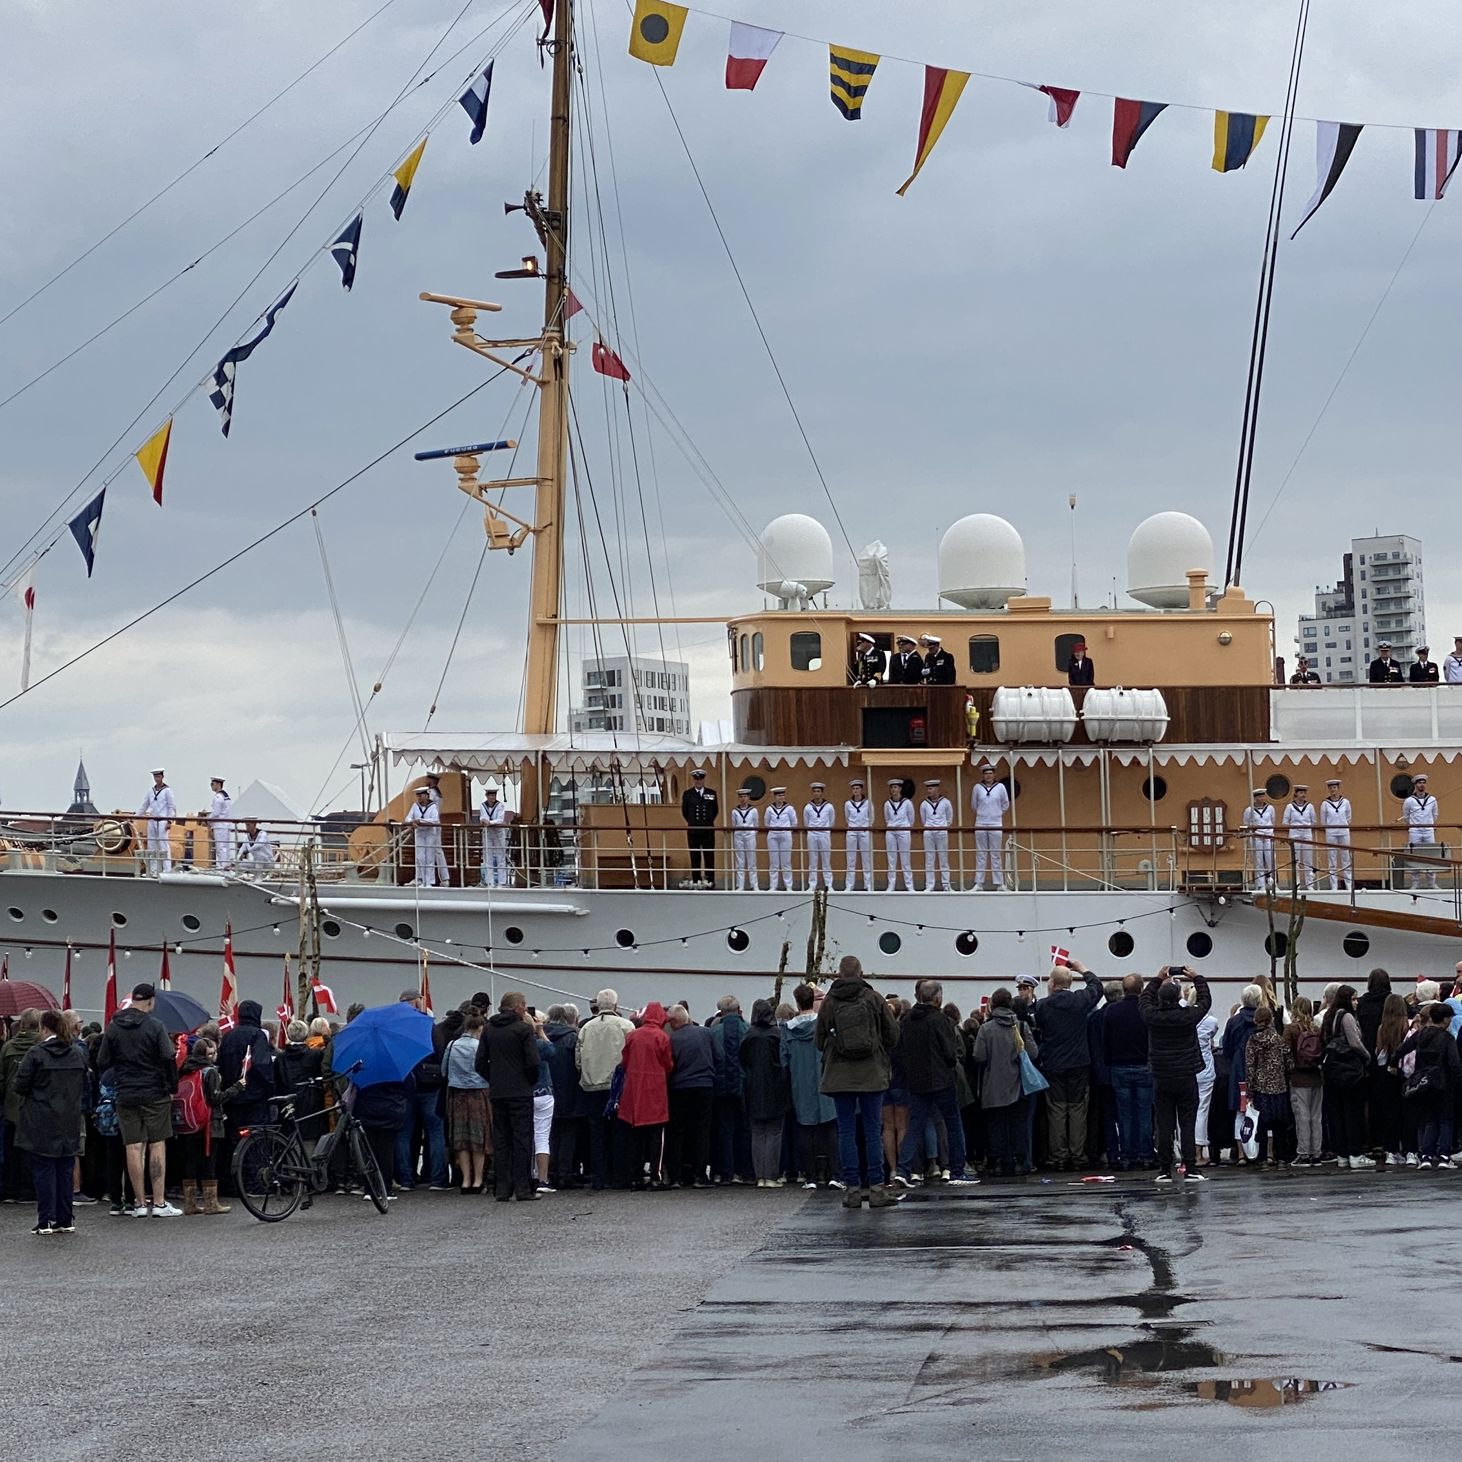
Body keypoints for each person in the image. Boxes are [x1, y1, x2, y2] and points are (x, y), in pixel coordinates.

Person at [816, 954, 902, 1209]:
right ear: (861, 973)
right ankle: (876, 1189)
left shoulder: (830, 1001)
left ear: (840, 975)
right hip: (872, 1074)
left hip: (840, 1076)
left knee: (846, 1131)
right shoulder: (874, 998)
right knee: (873, 1130)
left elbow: (819, 1041)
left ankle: (852, 1190)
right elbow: (893, 1035)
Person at [97, 983, 181, 1218]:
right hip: (154, 1092)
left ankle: (140, 1203)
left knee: (132, 1146)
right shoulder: (155, 1026)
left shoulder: (114, 1027)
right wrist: (171, 1086)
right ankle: (160, 1203)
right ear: (151, 1001)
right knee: (157, 1144)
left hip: (125, 1093)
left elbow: (103, 1060)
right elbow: (168, 1057)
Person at [893, 980, 976, 1186]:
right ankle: (956, 1170)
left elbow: (899, 1052)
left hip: (917, 1082)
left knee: (915, 1127)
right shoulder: (940, 1020)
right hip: (941, 1080)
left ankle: (903, 1170)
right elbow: (950, 1054)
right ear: (937, 997)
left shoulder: (907, 1020)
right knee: (953, 1125)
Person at [14, 1010, 88, 1235]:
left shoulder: (36, 1054)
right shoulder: (76, 1053)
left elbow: (20, 1085)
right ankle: (66, 1219)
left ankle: (45, 1220)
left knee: (44, 1170)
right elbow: (85, 1083)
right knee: (65, 1169)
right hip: (69, 1119)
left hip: (41, 1119)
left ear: (43, 1029)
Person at [1137, 967, 1212, 1183]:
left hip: (1162, 1075)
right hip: (1186, 1074)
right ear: (1179, 996)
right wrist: (1197, 977)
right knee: (1187, 1123)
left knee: (1164, 1123)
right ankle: (1190, 1168)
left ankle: (1164, 1169)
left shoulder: (1152, 1016)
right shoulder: (1187, 1016)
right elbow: (1205, 1001)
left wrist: (1157, 978)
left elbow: (1144, 1000)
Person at [1034, 959, 1102, 1171]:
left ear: (1052, 983)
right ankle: (1078, 1155)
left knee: (1056, 1111)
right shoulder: (1080, 1001)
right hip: (1079, 1063)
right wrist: (1082, 968)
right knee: (1078, 1110)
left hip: (1053, 1064)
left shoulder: (1042, 1006)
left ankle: (1059, 1156)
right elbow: (1097, 988)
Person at [476, 991, 540, 1201]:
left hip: (498, 1092)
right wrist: (529, 1081)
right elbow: (532, 1062)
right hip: (520, 1092)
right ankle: (523, 1187)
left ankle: (502, 1188)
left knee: (501, 1140)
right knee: (522, 1139)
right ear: (518, 1007)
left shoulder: (489, 1029)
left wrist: (493, 1079)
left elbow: (479, 1063)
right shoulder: (523, 1030)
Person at [971, 988, 1039, 1176]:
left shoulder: (986, 1028)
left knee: (997, 1125)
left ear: (993, 1005)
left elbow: (979, 1055)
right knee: (1018, 1124)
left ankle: (1001, 1161)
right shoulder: (1021, 1027)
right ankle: (1020, 1161)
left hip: (993, 1085)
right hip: (1018, 1085)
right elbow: (1033, 1053)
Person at [576, 990, 634, 1190]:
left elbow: (578, 1058)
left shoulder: (586, 1028)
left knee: (597, 1133)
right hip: (618, 1087)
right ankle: (620, 1177)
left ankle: (599, 1177)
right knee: (620, 1133)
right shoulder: (626, 1026)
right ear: (616, 1006)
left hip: (592, 1086)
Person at [175, 1034, 235, 1215]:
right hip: (209, 1121)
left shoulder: (186, 1069)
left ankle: (190, 1203)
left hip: (189, 1120)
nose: (213, 1056)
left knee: (191, 1160)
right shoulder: (211, 1072)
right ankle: (211, 1203)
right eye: (211, 1053)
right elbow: (215, 1098)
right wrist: (237, 1088)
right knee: (210, 1160)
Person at [783, 983, 837, 1188]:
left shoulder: (787, 1031)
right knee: (830, 1128)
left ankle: (811, 1176)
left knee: (806, 1131)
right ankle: (834, 1174)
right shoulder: (825, 1026)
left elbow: (784, 1060)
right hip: (826, 1080)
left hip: (800, 1083)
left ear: (797, 1001)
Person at [1396, 1003, 1462, 1168]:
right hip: (1443, 1082)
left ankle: (1426, 1155)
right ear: (1446, 1019)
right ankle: (1445, 1156)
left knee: (1429, 1119)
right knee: (1446, 1119)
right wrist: (1456, 1080)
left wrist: (1392, 1064)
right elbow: (1454, 1063)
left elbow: (1402, 1049)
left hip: (1424, 1081)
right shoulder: (1447, 1038)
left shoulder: (1420, 1034)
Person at [617, 1002, 673, 1189]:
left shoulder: (633, 1036)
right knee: (656, 1136)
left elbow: (624, 1062)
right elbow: (668, 1064)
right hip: (655, 1089)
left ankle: (635, 1175)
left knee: (634, 1136)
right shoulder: (661, 1036)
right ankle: (655, 1176)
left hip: (633, 1089)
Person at [664, 1005, 719, 1187]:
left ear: (674, 1022)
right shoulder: (706, 1034)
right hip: (704, 1086)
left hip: (679, 1088)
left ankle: (676, 1176)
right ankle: (699, 1175)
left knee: (677, 1132)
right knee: (702, 1131)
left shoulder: (671, 1039)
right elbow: (719, 1057)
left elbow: (669, 1065)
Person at [1102, 976, 1153, 1169]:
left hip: (1119, 1066)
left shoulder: (1112, 1011)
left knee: (1124, 1114)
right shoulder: (1146, 1010)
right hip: (1143, 1066)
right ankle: (1146, 1154)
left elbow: (1105, 1041)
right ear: (1141, 989)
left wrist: (1109, 1062)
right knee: (1144, 1112)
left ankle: (1127, 1155)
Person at [1321, 984, 1372, 1169]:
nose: (1356, 1002)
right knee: (1353, 1113)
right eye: (1353, 998)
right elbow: (1355, 1042)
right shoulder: (1347, 1016)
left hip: (1332, 1071)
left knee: (1337, 1114)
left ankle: (1341, 1154)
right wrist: (1367, 1057)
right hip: (1350, 1071)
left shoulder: (1328, 1015)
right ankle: (1355, 1154)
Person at [740, 1000, 790, 1187]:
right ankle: (771, 1175)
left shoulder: (748, 1035)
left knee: (757, 1133)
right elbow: (783, 1061)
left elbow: (743, 1062)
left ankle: (759, 1175)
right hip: (775, 1087)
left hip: (752, 1088)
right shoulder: (777, 1035)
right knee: (774, 1132)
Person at [443, 1011, 490, 1193]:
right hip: (478, 1094)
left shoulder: (452, 1045)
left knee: (461, 1139)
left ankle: (465, 1180)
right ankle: (478, 1180)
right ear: (479, 1028)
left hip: (457, 1095)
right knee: (478, 1138)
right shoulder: (479, 1046)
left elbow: (444, 1070)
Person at [710, 996, 752, 1184]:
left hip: (721, 1085)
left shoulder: (714, 1032)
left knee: (725, 1129)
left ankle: (726, 1171)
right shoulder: (748, 1030)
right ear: (739, 1009)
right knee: (744, 1128)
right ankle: (744, 1171)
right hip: (744, 1085)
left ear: (720, 1012)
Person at [1, 1009, 42, 1203]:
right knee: (31, 1151)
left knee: (10, 1149)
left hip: (10, 1106)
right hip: (33, 1106)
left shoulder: (8, 1047)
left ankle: (10, 1189)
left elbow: (1, 1078)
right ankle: (28, 1190)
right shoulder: (41, 1047)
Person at [1244, 1008, 1291, 1166]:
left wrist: (1249, 1091)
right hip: (1279, 1087)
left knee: (1262, 1125)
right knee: (1280, 1125)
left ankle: (1263, 1159)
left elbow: (1250, 1066)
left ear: (1256, 1020)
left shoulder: (1252, 1040)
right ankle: (1282, 1158)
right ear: (1271, 1020)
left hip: (1261, 1087)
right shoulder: (1278, 1039)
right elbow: (1289, 1062)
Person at [1280, 997, 1324, 1165]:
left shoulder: (1291, 1030)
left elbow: (1286, 1054)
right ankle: (1316, 1152)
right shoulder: (1316, 1029)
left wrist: (1290, 1071)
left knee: (1302, 1116)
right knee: (1316, 1116)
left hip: (1298, 1078)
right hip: (1316, 1078)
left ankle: (1303, 1152)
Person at [1370, 994, 1410, 1167]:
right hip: (1403, 1073)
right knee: (1405, 1112)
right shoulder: (1406, 1024)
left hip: (1385, 1074)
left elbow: (1379, 1052)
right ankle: (1407, 1150)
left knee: (1389, 1113)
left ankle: (1390, 1151)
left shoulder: (1382, 1028)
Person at [1190, 981, 1221, 1164]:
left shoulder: (1185, 1017)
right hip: (1205, 1069)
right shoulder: (1211, 1022)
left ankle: (1187, 1151)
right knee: (1202, 1111)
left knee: (1186, 1112)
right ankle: (1199, 1152)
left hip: (1188, 1068)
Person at [971, 763, 1010, 891]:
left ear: (994, 774)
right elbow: (974, 805)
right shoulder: (977, 787)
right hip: (981, 822)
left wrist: (996, 814)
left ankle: (999, 883)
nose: (988, 776)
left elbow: (1005, 804)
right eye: (986, 773)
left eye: (990, 773)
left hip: (996, 823)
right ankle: (979, 883)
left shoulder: (1000, 787)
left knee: (996, 854)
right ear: (983, 775)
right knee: (981, 853)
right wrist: (983, 814)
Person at [530, 1011, 556, 1193]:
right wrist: (541, 1032)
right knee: (541, 1136)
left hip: (523, 1092)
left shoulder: (516, 1043)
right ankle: (542, 1178)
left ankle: (525, 1176)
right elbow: (551, 1050)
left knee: (523, 1136)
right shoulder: (539, 1044)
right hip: (543, 1092)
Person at [681, 768, 718, 888]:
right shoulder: (688, 794)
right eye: (696, 779)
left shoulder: (711, 793)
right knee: (695, 856)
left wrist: (707, 822)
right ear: (693, 780)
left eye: (700, 779)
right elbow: (685, 812)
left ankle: (710, 881)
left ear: (703, 779)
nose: (698, 781)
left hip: (707, 830)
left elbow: (715, 811)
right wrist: (693, 822)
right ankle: (696, 880)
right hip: (694, 830)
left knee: (709, 856)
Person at [1401, 774, 1440, 890]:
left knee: (1431, 856)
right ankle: (1415, 882)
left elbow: (1435, 815)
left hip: (1428, 830)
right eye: (1419, 783)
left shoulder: (1432, 799)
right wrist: (1414, 825)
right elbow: (1406, 816)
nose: (1421, 785)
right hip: (1415, 831)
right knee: (1414, 856)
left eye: (1423, 782)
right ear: (1415, 785)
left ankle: (1431, 882)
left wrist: (1429, 824)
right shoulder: (1409, 801)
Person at [918, 778, 954, 893]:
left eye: (931, 788)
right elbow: (923, 819)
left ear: (937, 789)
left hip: (941, 831)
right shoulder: (924, 804)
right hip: (929, 831)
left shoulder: (946, 802)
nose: (929, 791)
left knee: (943, 858)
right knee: (929, 859)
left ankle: (946, 884)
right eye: (928, 789)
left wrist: (943, 826)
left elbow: (949, 819)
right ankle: (929, 884)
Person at [138, 768, 176, 876]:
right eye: (155, 777)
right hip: (152, 820)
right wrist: (136, 816)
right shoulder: (151, 791)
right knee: (151, 845)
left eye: (158, 776)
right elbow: (144, 805)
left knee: (163, 845)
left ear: (162, 777)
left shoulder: (167, 791)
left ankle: (167, 870)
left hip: (162, 820)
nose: (156, 779)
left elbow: (171, 807)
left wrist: (169, 820)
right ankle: (153, 870)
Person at [883, 777, 915, 892]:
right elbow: (887, 818)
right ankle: (891, 884)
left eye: (895, 787)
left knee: (905, 859)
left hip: (903, 830)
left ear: (900, 789)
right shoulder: (887, 803)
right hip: (891, 831)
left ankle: (909, 885)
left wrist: (905, 827)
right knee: (891, 859)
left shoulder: (907, 803)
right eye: (891, 788)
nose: (893, 790)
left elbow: (911, 819)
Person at [405, 786, 442, 888]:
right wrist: (411, 822)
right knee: (420, 857)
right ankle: (421, 880)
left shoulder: (433, 806)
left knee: (429, 857)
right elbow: (408, 818)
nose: (419, 798)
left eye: (421, 795)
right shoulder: (415, 806)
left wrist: (420, 821)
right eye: (418, 796)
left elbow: (435, 820)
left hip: (430, 833)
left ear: (426, 795)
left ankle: (429, 881)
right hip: (419, 833)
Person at [1282, 785, 1317, 890]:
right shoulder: (1290, 807)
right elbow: (1285, 822)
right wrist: (1295, 826)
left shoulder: (1310, 806)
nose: (1303, 795)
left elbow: (1314, 820)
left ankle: (1309, 884)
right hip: (1295, 834)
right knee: (1295, 860)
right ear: (1296, 794)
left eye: (1304, 793)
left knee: (1308, 860)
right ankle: (1296, 883)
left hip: (1306, 834)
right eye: (1301, 793)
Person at [1241, 787, 1276, 892]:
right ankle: (1261, 884)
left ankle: (1272, 882)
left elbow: (1273, 821)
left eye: (1263, 796)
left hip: (1268, 836)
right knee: (1259, 860)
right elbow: (1246, 823)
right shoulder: (1249, 810)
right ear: (1255, 798)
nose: (1262, 798)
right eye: (1260, 796)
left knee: (1270, 859)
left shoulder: (1270, 808)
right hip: (1256, 837)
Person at [478, 784, 513, 888]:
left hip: (498, 832)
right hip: (488, 832)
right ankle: (490, 882)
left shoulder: (500, 806)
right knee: (487, 857)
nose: (492, 797)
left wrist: (490, 822)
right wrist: (483, 821)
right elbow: (482, 816)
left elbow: (500, 819)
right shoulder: (482, 806)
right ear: (487, 796)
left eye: (494, 795)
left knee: (500, 857)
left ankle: (501, 882)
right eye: (490, 795)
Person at [763, 787, 797, 892]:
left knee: (786, 862)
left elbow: (794, 823)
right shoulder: (769, 809)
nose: (780, 797)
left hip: (785, 834)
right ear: (775, 797)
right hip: (773, 835)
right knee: (774, 862)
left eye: (782, 795)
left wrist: (786, 831)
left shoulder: (789, 808)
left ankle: (788, 885)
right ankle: (773, 885)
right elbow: (766, 823)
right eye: (778, 795)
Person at [1321, 778, 1352, 890]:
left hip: (1344, 832)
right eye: (1330, 788)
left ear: (1338, 789)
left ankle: (1348, 884)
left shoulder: (1345, 802)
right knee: (1332, 859)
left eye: (1334, 787)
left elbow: (1349, 818)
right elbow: (1323, 820)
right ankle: (1334, 886)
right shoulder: (1325, 804)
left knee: (1346, 858)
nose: (1333, 790)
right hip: (1331, 833)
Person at [803, 782, 836, 891]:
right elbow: (806, 822)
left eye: (818, 791)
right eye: (814, 791)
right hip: (812, 833)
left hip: (824, 833)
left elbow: (831, 821)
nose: (816, 793)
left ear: (822, 793)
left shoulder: (829, 806)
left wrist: (825, 829)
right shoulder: (808, 807)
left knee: (826, 860)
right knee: (813, 860)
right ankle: (812, 884)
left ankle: (828, 884)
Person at [842, 778, 873, 892]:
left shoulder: (868, 803)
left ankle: (868, 884)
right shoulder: (848, 804)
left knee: (866, 859)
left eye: (857, 788)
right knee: (851, 859)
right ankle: (849, 885)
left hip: (864, 831)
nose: (855, 791)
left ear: (861, 790)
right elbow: (847, 817)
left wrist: (866, 827)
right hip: (852, 831)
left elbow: (871, 817)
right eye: (854, 789)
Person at [730, 787, 760, 892]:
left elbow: (756, 824)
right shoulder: (735, 811)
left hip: (750, 835)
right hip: (738, 835)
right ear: (739, 798)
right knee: (739, 861)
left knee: (752, 860)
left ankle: (754, 884)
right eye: (741, 796)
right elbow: (734, 825)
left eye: (745, 796)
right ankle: (740, 885)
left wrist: (751, 833)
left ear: (748, 798)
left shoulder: (753, 810)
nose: (743, 799)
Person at [207, 777, 235, 869]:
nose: (211, 786)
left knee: (220, 847)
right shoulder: (226, 797)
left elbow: (216, 813)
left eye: (212, 784)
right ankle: (225, 865)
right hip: (226, 824)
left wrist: (208, 819)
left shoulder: (218, 797)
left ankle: (222, 866)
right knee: (225, 847)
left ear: (218, 784)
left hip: (219, 825)